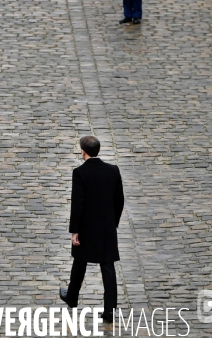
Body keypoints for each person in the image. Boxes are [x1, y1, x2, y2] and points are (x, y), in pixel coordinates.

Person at [59, 136, 124, 322]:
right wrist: (114, 222)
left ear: (83, 151)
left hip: (86, 227)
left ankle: (72, 297)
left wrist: (74, 230)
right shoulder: (113, 170)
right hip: (106, 227)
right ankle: (109, 310)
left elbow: (77, 205)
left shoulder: (80, 173)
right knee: (108, 266)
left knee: (79, 262)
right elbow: (119, 200)